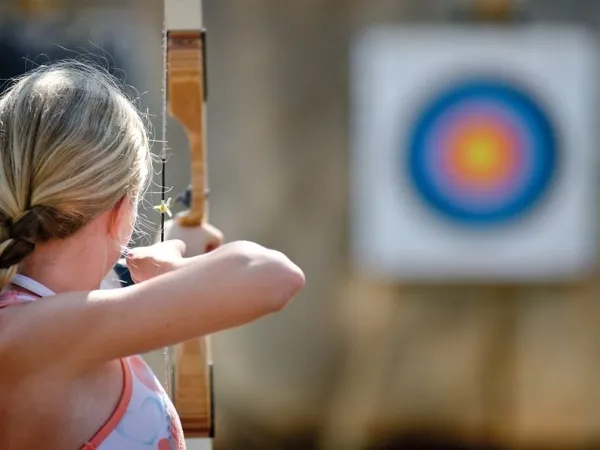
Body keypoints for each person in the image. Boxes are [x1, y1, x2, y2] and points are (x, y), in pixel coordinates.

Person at [0, 62, 305, 450]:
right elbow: (273, 275)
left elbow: (103, 300)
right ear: (123, 207)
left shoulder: (33, 320)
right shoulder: (39, 333)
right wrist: (176, 263)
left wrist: (172, 246)